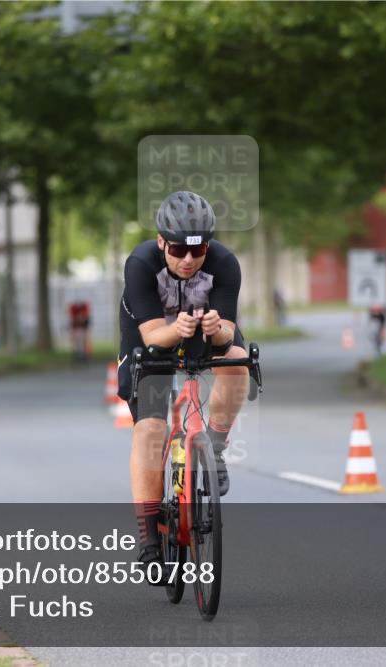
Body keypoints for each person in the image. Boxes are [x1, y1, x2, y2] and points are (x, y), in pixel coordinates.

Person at [117, 190, 250, 577]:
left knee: (238, 361)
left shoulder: (225, 264)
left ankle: (217, 447)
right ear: (161, 242)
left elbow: (227, 331)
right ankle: (148, 540)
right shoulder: (140, 264)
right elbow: (154, 335)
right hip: (151, 336)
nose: (189, 260)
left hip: (200, 331)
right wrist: (176, 328)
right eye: (178, 250)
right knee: (151, 429)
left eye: (199, 250)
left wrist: (218, 329)